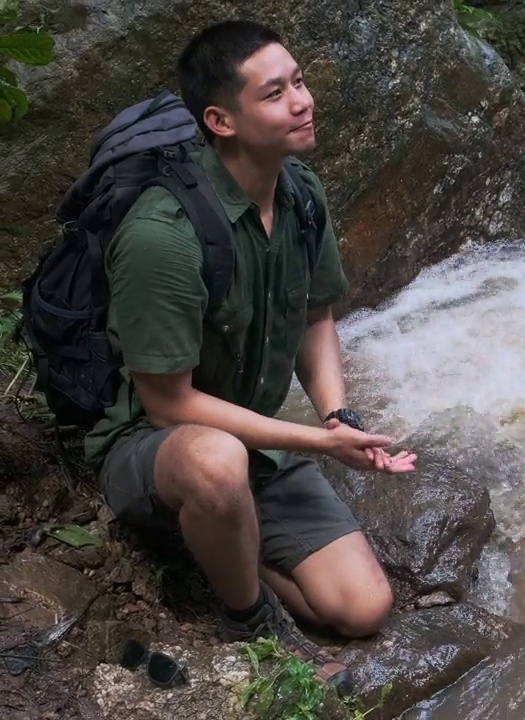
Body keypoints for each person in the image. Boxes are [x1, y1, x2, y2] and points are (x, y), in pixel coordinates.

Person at [83, 20, 417, 695]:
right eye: (274, 94)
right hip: (153, 448)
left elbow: (316, 317)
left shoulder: (299, 194)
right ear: (221, 119)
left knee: (362, 609)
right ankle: (251, 620)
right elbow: (168, 403)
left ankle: (210, 539)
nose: (302, 101)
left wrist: (337, 415)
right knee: (214, 459)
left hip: (249, 445)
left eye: (299, 81)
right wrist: (317, 444)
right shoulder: (163, 235)